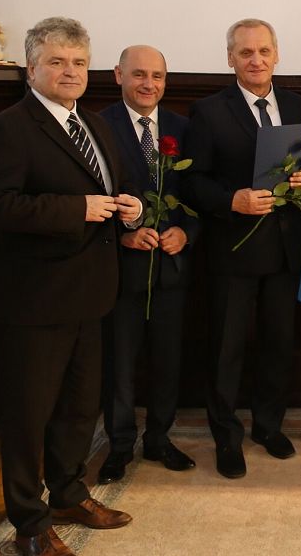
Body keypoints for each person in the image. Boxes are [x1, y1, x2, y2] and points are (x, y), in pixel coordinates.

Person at [0, 17, 139, 556]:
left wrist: (128, 208)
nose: (70, 72)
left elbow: (105, 192)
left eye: (79, 62)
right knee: (27, 418)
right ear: (31, 68)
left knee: (78, 410)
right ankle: (29, 523)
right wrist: (76, 210)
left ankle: (68, 494)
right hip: (35, 302)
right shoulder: (6, 129)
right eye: (57, 62)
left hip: (92, 294)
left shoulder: (96, 124)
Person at [183, 18, 301, 479]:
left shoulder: (299, 106)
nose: (256, 60)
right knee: (227, 349)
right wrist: (231, 200)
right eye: (245, 52)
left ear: (276, 55)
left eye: (263, 51)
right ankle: (226, 435)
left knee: (279, 344)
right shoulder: (208, 112)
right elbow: (192, 181)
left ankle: (268, 426)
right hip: (233, 249)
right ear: (230, 59)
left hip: (286, 248)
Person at [96, 45, 198, 484]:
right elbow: (88, 193)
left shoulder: (183, 128)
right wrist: (122, 236)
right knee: (119, 366)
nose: (148, 84)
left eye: (157, 76)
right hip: (121, 270)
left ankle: (158, 438)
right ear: (119, 75)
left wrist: (187, 232)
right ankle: (119, 446)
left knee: (166, 362)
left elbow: (198, 193)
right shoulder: (98, 126)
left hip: (171, 268)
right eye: (139, 74)